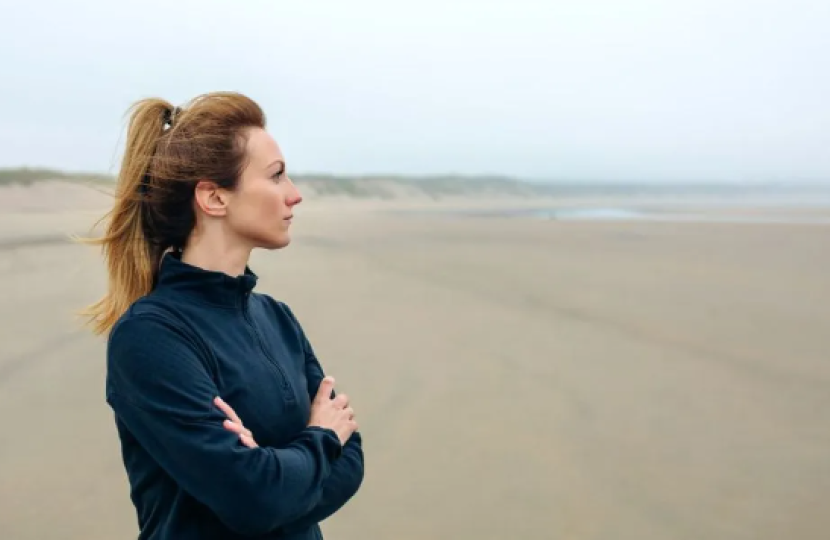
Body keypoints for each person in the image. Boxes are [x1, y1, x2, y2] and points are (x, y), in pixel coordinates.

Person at [79, 91, 364, 539]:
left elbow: (352, 462)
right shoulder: (151, 337)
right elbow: (254, 497)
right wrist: (319, 440)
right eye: (276, 177)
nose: (295, 196)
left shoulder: (277, 318)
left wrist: (274, 469)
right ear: (214, 199)